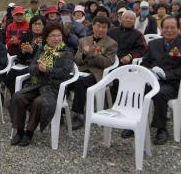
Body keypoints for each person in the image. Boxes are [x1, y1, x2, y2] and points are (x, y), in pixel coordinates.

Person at [9, 23, 74, 146]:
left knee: (38, 102)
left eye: (59, 35)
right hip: (36, 84)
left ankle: (29, 133)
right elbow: (31, 68)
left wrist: (47, 69)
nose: (56, 38)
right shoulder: (42, 49)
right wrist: (38, 68)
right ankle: (19, 131)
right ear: (47, 38)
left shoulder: (67, 52)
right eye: (52, 36)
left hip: (53, 88)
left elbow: (65, 73)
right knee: (18, 97)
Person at [122, 17, 181, 145]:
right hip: (152, 79)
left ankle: (161, 128)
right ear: (162, 29)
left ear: (178, 29)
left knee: (159, 94)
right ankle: (134, 121)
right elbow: (144, 62)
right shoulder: (154, 44)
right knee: (135, 89)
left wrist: (166, 74)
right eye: (166, 27)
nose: (169, 30)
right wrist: (151, 70)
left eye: (172, 28)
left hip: (172, 83)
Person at [69, 16, 118, 130]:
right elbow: (76, 60)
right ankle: (61, 110)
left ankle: (78, 114)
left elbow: (107, 63)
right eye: (98, 26)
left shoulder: (112, 44)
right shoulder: (83, 41)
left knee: (80, 82)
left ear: (107, 29)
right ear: (93, 26)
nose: (100, 29)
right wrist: (85, 54)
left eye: (104, 27)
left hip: (97, 73)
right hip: (81, 70)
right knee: (66, 80)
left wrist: (96, 55)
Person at [5, 15, 46, 95]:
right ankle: (14, 95)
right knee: (12, 72)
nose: (37, 26)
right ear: (31, 26)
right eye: (34, 24)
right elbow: (19, 55)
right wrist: (23, 52)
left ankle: (21, 96)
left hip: (37, 66)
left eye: (39, 24)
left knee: (18, 74)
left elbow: (44, 55)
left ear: (44, 26)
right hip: (24, 63)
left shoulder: (46, 38)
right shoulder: (27, 35)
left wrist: (32, 52)